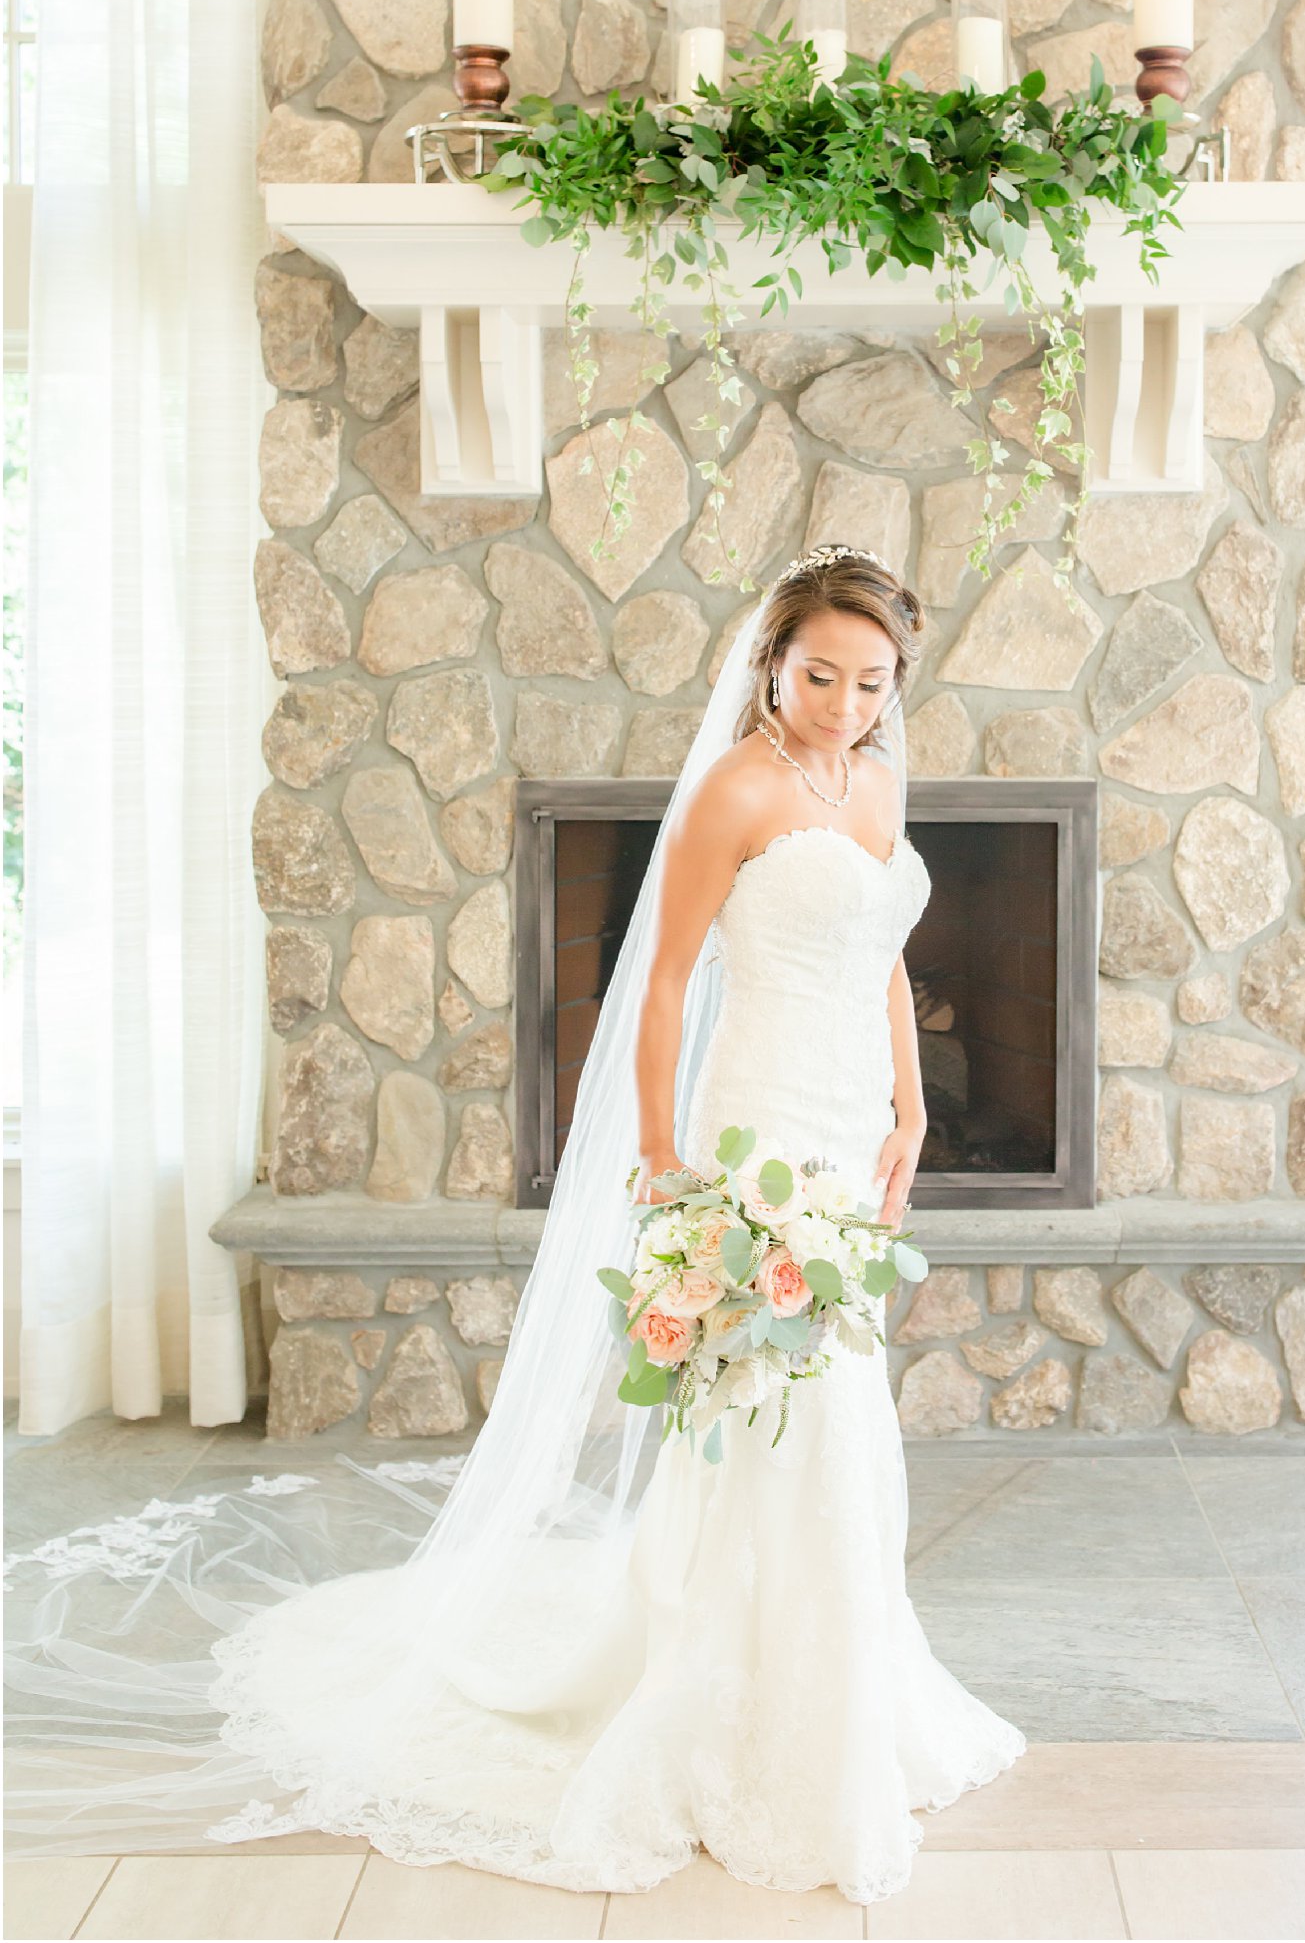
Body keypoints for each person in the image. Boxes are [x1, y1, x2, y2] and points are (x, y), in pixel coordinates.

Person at [4, 545, 1024, 1905]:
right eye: (819, 671)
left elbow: (883, 953)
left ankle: (831, 1677)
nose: (842, 699)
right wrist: (664, 1155)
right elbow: (661, 981)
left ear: (900, 681)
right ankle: (749, 1712)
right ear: (773, 659)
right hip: (757, 1123)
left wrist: (908, 1110)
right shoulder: (738, 787)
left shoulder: (880, 780)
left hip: (848, 1129)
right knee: (786, 1396)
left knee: (835, 1399)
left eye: (870, 679)